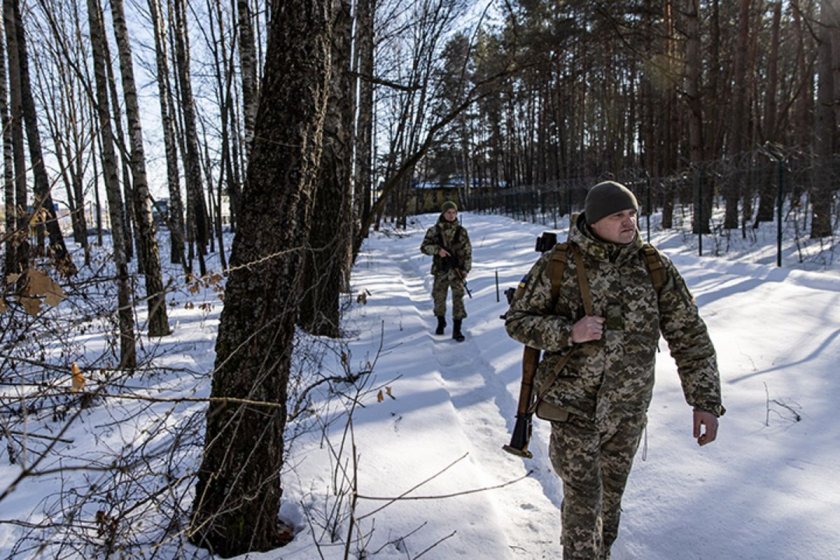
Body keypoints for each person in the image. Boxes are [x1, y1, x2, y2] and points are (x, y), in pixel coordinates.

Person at [504, 181, 724, 559]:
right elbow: (517, 320)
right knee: (585, 500)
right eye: (618, 215)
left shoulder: (653, 266)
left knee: (609, 503)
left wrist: (704, 401)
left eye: (632, 213)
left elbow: (689, 335)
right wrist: (568, 332)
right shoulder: (560, 264)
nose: (629, 223)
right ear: (594, 221)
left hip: (628, 411)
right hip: (573, 407)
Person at [420, 201, 472, 342]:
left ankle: (457, 329)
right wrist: (438, 250)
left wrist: (466, 269)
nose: (451, 215)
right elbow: (424, 247)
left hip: (457, 271)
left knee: (458, 299)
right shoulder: (434, 230)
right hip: (440, 270)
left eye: (454, 212)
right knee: (439, 298)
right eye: (448, 212)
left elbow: (468, 252)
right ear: (443, 213)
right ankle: (441, 322)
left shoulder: (461, 232)